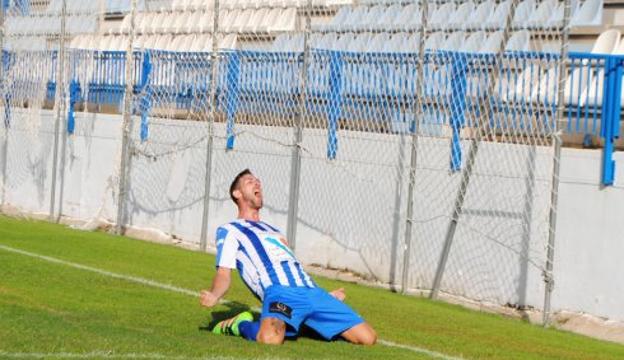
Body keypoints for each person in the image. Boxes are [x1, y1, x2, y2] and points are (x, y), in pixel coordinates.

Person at [199, 169, 377, 345]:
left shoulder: (274, 231)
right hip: (279, 292)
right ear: (236, 193)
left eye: (257, 180)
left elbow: (292, 267)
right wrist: (215, 294)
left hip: (312, 292)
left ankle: (301, 319)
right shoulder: (230, 230)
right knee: (270, 339)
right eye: (249, 181)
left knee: (368, 338)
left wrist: (325, 295)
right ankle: (239, 325)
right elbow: (224, 272)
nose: (257, 183)